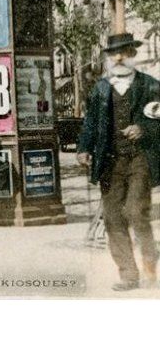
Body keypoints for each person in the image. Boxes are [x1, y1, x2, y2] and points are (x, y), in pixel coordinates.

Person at [77, 33, 160, 291]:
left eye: (125, 52)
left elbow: (158, 120)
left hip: (139, 159)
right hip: (110, 161)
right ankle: (128, 274)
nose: (120, 57)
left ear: (133, 55)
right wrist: (83, 149)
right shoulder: (101, 88)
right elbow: (90, 123)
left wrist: (143, 128)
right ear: (109, 58)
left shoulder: (150, 85)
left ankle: (149, 268)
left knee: (136, 212)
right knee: (113, 218)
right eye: (114, 53)